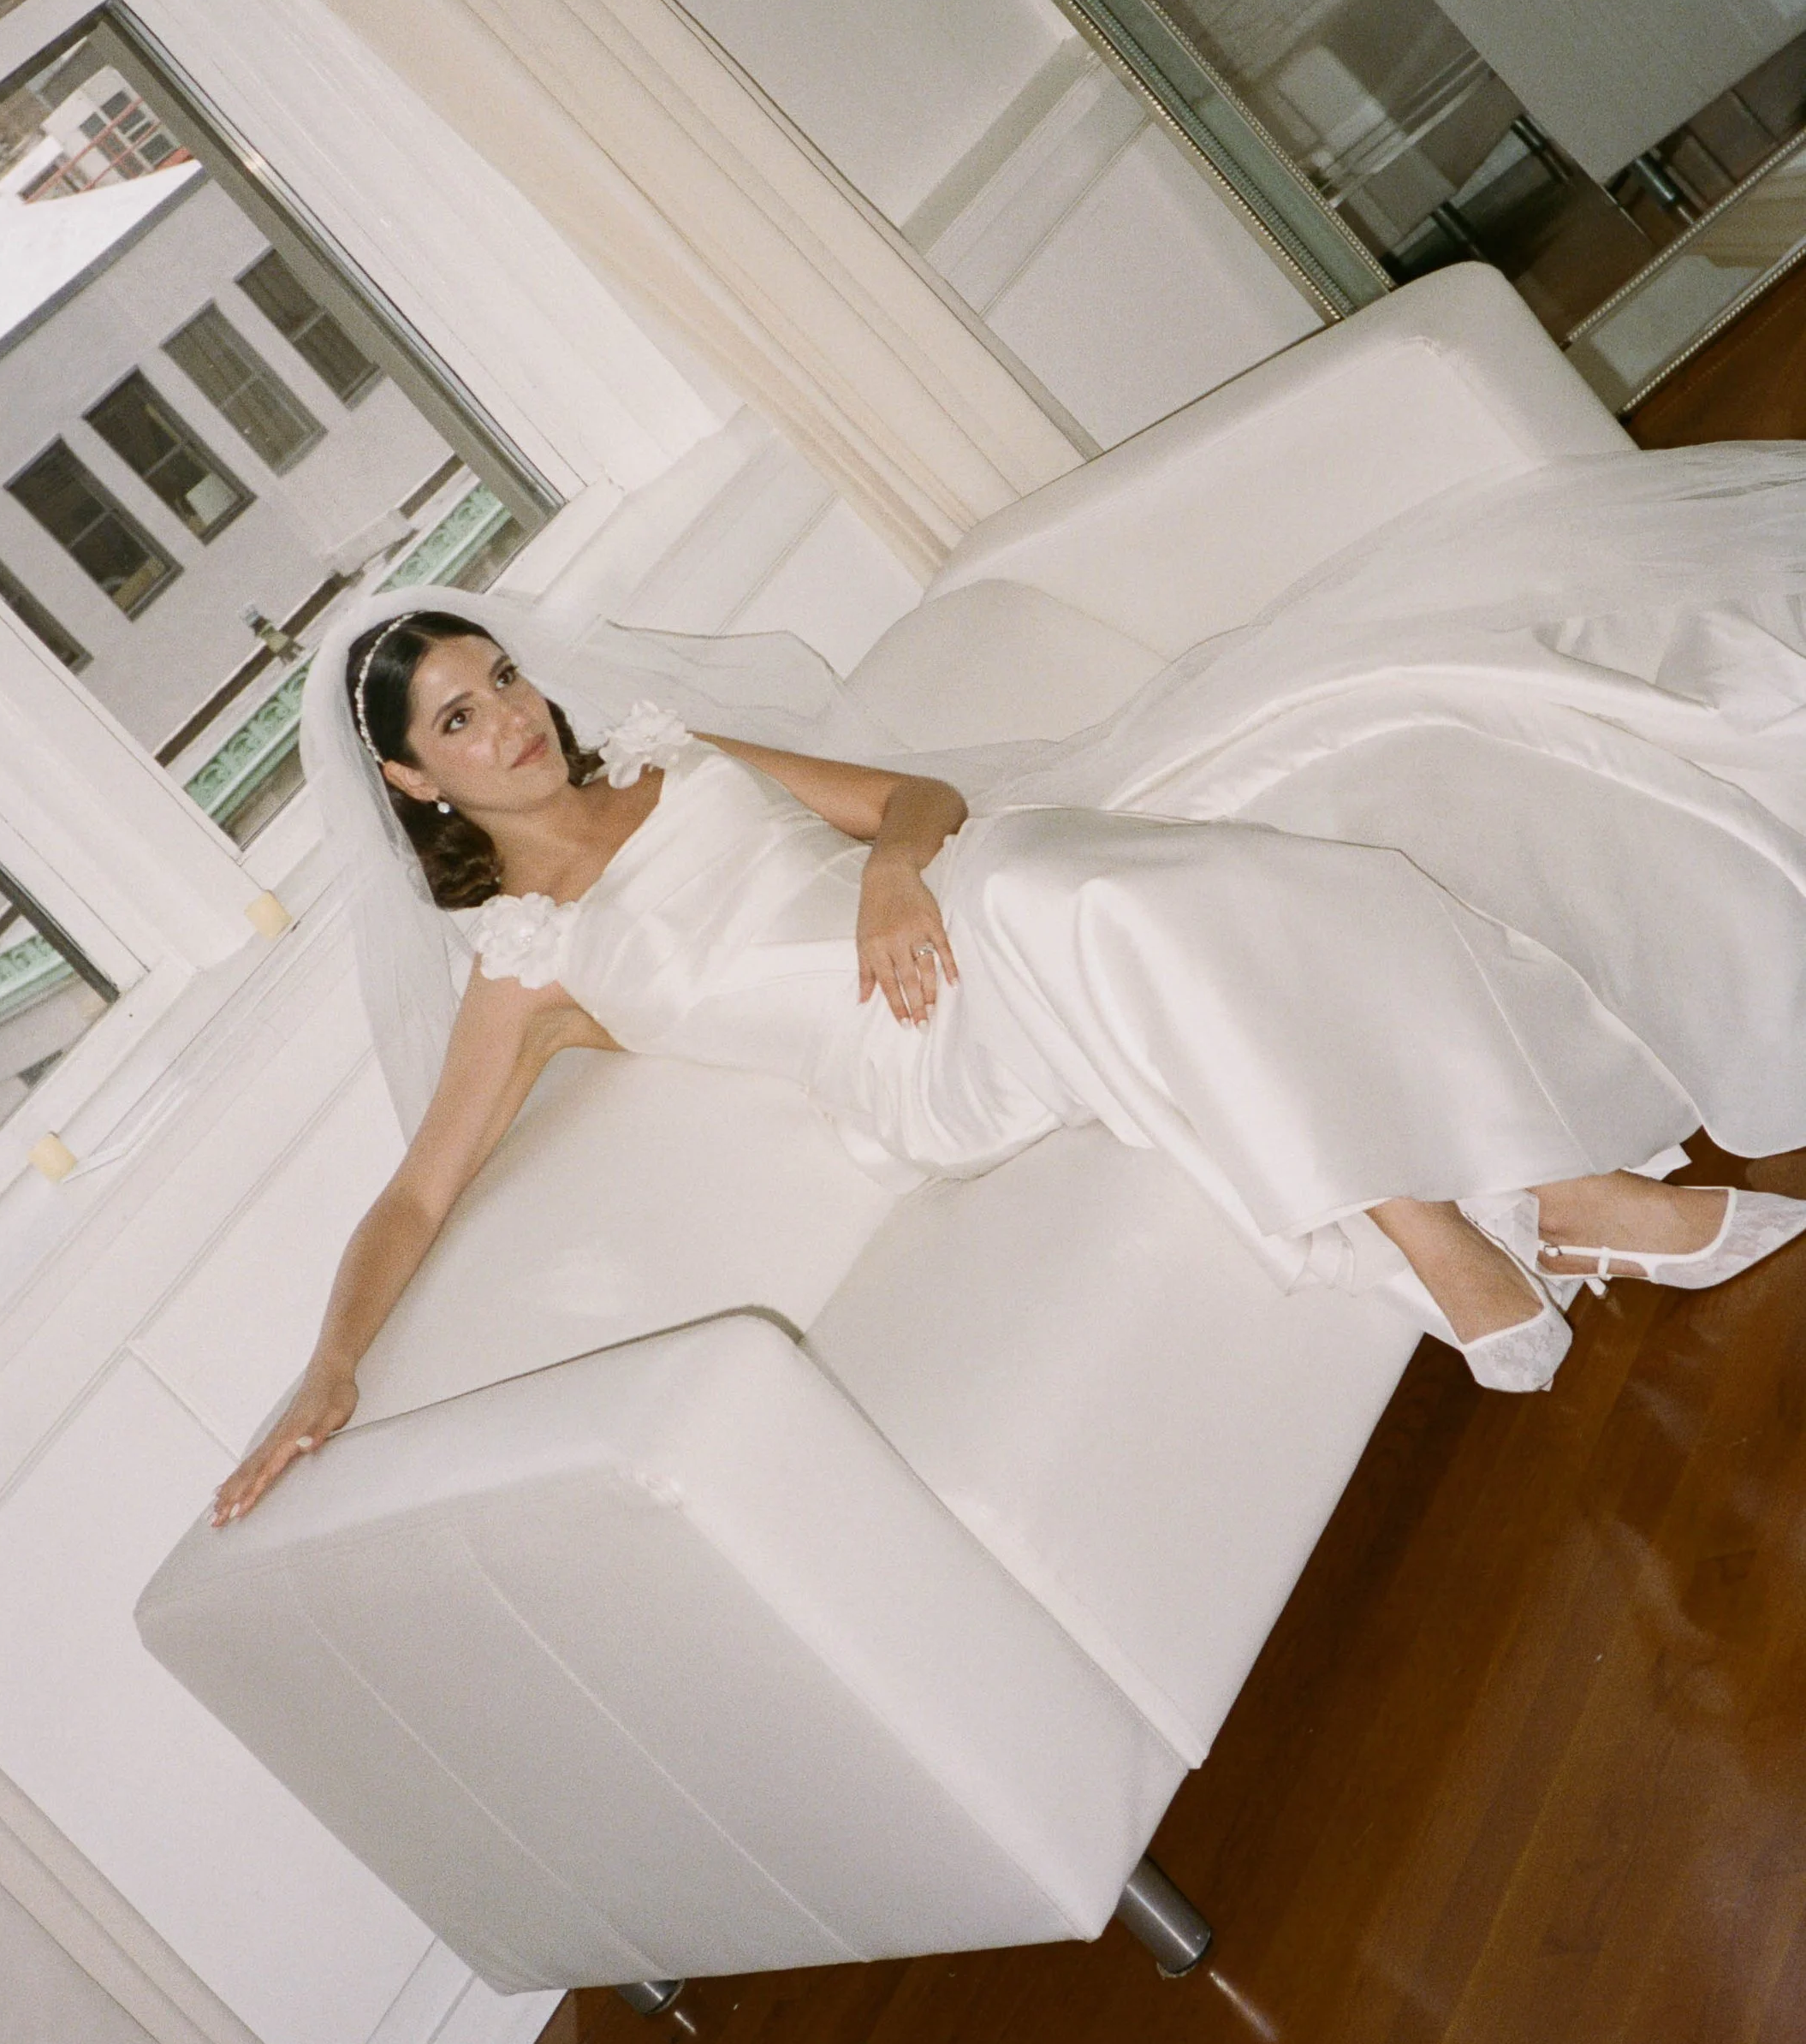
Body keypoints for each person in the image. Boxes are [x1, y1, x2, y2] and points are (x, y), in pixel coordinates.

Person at [213, 440, 1806, 1524]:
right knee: (1069, 894)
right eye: (460, 722)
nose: (510, 718)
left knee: (1080, 880)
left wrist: (899, 870)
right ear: (419, 786)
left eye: (500, 677)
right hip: (914, 1054)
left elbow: (911, 800)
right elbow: (415, 1199)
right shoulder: (531, 962)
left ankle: (1509, 1212)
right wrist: (330, 1361)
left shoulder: (667, 755)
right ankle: (1505, 1201)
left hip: (958, 907)